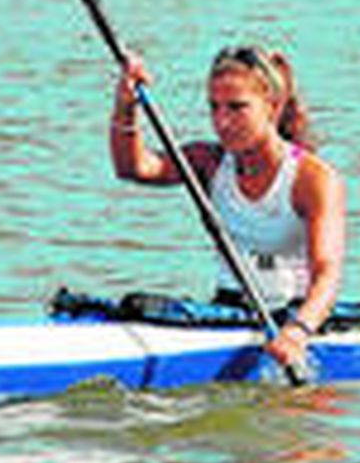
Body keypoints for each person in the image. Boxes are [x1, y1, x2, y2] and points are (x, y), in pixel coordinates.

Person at [110, 44, 346, 368]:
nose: (222, 122)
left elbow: (327, 272)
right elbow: (134, 167)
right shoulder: (208, 161)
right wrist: (126, 107)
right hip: (228, 311)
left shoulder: (313, 178)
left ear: (273, 107)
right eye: (214, 107)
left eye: (237, 108)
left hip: (295, 316)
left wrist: (297, 333)